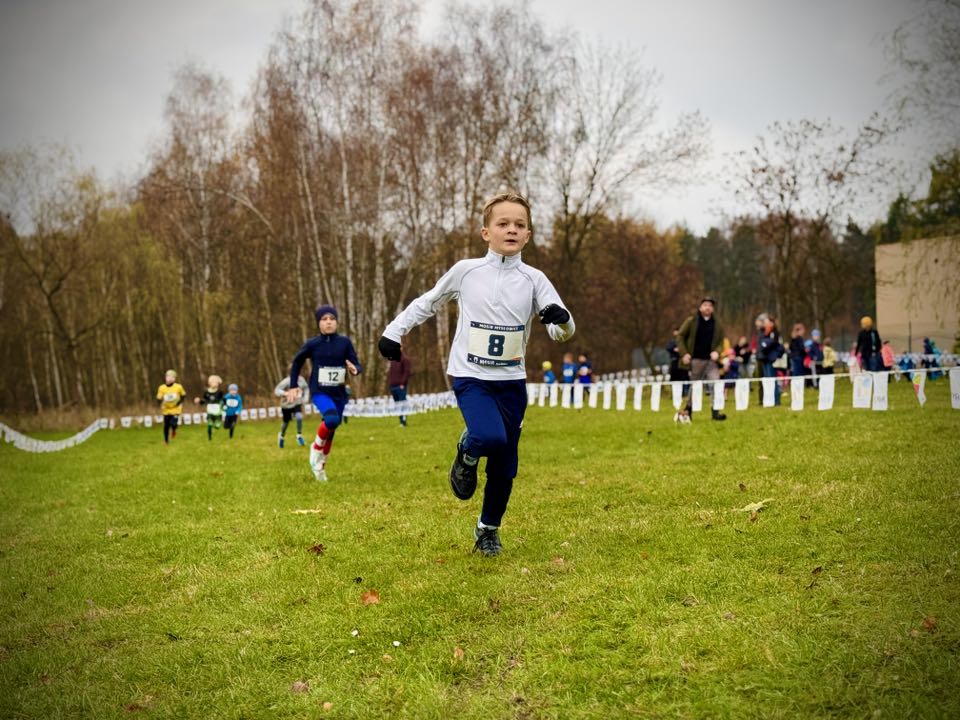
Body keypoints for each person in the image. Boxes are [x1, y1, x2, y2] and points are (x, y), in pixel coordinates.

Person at [377, 190, 575, 557]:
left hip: (512, 383)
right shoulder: (467, 271)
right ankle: (467, 449)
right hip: (470, 376)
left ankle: (488, 530)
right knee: (488, 436)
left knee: (506, 464)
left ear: (528, 235)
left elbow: (561, 329)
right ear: (486, 232)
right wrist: (394, 331)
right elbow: (428, 302)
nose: (511, 230)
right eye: (503, 223)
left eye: (520, 225)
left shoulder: (535, 280)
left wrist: (561, 321)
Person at [286, 305, 362, 481]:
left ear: (336, 322)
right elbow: (297, 362)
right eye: (324, 319)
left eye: (332, 319)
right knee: (331, 420)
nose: (328, 322)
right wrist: (293, 385)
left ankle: (321, 467)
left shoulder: (344, 343)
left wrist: (354, 369)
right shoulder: (313, 344)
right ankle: (316, 447)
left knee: (332, 429)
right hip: (320, 391)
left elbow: (357, 364)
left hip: (339, 393)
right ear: (319, 323)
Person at [675, 297, 727, 421]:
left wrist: (717, 352)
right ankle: (688, 410)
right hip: (696, 360)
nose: (707, 307)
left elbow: (721, 341)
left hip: (711, 361)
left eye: (710, 305)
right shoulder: (691, 321)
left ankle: (715, 412)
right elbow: (680, 336)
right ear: (700, 307)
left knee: (715, 384)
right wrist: (684, 353)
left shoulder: (717, 323)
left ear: (712, 309)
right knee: (695, 386)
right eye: (705, 305)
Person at [275, 375, 310, 447]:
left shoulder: (301, 379)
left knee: (299, 417)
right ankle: (281, 435)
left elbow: (306, 388)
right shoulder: (286, 381)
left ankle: (299, 435)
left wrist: (306, 398)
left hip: (297, 403)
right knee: (286, 423)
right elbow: (277, 390)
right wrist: (286, 393)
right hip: (286, 405)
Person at [756, 316, 783, 405]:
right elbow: (762, 343)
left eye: (767, 322)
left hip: (771, 359)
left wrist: (765, 344)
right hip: (764, 358)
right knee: (767, 381)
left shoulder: (774, 332)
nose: (765, 323)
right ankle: (769, 400)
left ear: (772, 323)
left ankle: (776, 400)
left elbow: (772, 343)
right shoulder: (763, 332)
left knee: (772, 380)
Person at [156, 369, 187, 445]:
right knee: (166, 426)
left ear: (174, 379)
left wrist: (179, 403)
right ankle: (166, 441)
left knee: (173, 423)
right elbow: (159, 398)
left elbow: (183, 395)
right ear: (165, 378)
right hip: (166, 410)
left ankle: (173, 430)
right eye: (168, 376)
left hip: (176, 409)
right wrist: (160, 403)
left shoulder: (178, 387)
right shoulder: (162, 388)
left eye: (172, 377)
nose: (170, 378)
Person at [194, 375, 226, 441]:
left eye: (216, 382)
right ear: (209, 383)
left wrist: (224, 405)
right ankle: (209, 437)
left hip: (218, 411)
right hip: (210, 410)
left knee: (217, 426)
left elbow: (223, 400)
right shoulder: (207, 392)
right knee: (209, 424)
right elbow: (204, 401)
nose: (214, 383)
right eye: (212, 382)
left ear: (218, 383)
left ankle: (218, 422)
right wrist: (199, 401)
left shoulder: (220, 392)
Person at [388, 349, 412, 426]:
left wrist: (402, 383)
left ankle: (403, 421)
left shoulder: (405, 359)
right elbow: (391, 373)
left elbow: (407, 372)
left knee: (402, 403)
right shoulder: (392, 360)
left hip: (401, 386)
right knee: (397, 405)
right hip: (393, 386)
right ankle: (400, 421)